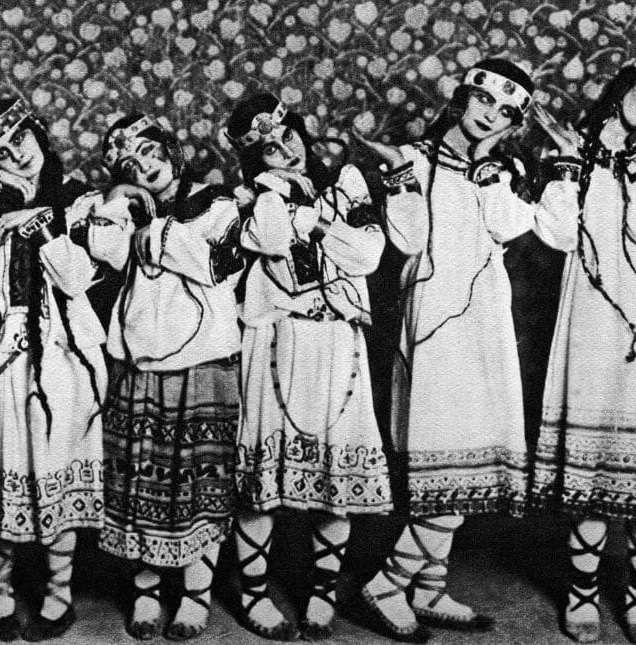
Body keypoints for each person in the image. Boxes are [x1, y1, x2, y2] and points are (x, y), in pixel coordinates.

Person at [350, 59, 580, 642]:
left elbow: (546, 232)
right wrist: (402, 176)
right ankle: (386, 582)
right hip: (432, 317)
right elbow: (405, 241)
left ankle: (427, 587)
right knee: (445, 449)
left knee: (471, 451)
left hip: (486, 319)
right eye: (485, 101)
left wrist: (541, 167)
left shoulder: (501, 168)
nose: (490, 115)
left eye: (507, 112)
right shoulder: (414, 160)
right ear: (462, 96)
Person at [528, 48, 636, 645]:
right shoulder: (573, 144)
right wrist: (567, 168)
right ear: (630, 80)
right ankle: (580, 597)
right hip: (589, 310)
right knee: (593, 453)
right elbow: (554, 233)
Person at [224, 94, 392, 641]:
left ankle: (322, 592)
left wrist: (315, 222)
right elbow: (270, 239)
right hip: (275, 337)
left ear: (301, 131)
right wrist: (277, 194)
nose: (284, 150)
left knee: (335, 475)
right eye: (268, 149)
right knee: (260, 483)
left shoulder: (346, 182)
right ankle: (252, 593)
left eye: (288, 135)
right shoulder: (248, 199)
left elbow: (368, 255)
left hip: (339, 338)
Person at [0, 97, 107, 642]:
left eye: (22, 140)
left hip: (61, 348)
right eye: (0, 152)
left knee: (56, 459)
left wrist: (37, 223)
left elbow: (77, 277)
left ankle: (60, 591)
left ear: (40, 133)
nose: (17, 155)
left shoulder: (80, 201)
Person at [88, 113, 245, 641]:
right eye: (130, 160)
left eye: (152, 152)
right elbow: (102, 253)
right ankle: (147, 590)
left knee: (202, 482)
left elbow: (216, 264)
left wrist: (150, 228)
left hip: (203, 361)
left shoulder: (216, 201)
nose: (145, 166)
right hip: (141, 362)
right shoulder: (122, 205)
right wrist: (118, 199)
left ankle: (197, 595)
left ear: (173, 153)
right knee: (141, 479)